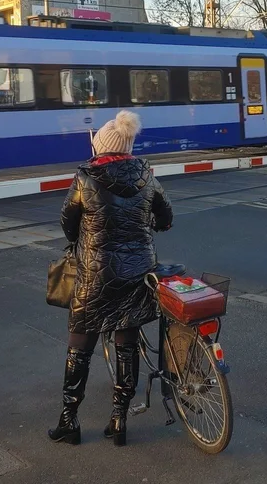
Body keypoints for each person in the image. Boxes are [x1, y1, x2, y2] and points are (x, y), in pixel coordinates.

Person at [48, 110, 173, 447]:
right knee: (126, 344)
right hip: (137, 271)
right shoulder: (147, 175)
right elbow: (166, 216)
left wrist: (79, 237)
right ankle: (119, 419)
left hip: (96, 273)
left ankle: (68, 421)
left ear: (100, 145)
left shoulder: (85, 177)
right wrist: (154, 226)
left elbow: (67, 221)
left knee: (79, 347)